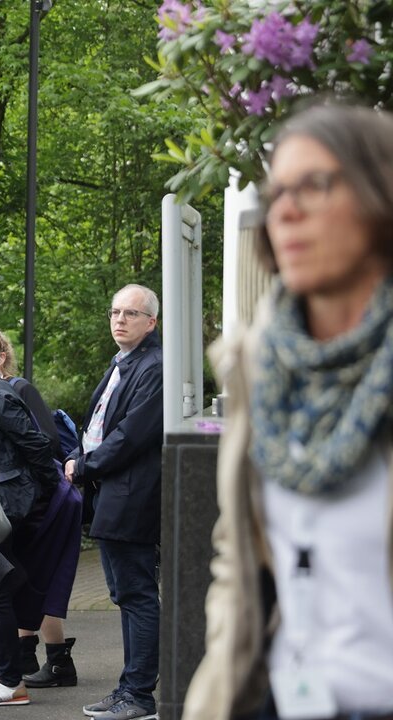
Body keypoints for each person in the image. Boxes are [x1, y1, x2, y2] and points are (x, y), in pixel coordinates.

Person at [185, 105, 393, 719]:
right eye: (278, 193)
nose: (286, 211)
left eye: (315, 185)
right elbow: (237, 554)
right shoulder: (255, 363)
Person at [64, 284, 163, 720]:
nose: (119, 320)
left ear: (151, 322)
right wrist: (76, 454)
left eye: (130, 314)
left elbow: (131, 435)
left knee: (137, 594)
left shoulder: (153, 366)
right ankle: (129, 688)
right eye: (115, 312)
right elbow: (98, 425)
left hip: (132, 496)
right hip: (115, 495)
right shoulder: (124, 362)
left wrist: (85, 467)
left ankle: (139, 694)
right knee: (126, 594)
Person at [0, 325, 62, 707]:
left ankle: (9, 678)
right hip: (4, 501)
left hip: (7, 504)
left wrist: (43, 491)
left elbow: (39, 444)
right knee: (3, 585)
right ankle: (8, 671)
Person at [0, 333, 80, 689]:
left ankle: (52, 660)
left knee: (38, 577)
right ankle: (36, 657)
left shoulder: (17, 389)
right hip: (26, 497)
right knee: (31, 577)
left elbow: (48, 443)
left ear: (0, 358)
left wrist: (42, 489)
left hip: (38, 500)